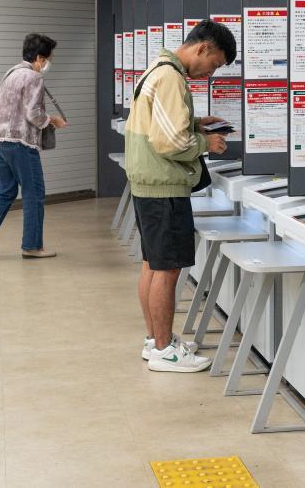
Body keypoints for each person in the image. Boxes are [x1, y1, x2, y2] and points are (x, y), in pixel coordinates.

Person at [126, 19, 235, 373]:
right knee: (168, 269)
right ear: (202, 48)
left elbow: (161, 124)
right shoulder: (171, 77)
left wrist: (197, 123)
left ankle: (155, 340)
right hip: (164, 186)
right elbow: (168, 142)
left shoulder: (157, 69)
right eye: (214, 64)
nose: (210, 73)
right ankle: (165, 351)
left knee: (153, 265)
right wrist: (207, 142)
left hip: (147, 183)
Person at [0, 34, 68, 260]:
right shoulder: (33, 77)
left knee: (6, 189)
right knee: (34, 193)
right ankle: (32, 246)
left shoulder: (11, 73)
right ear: (40, 58)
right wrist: (52, 120)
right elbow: (33, 114)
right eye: (49, 58)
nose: (49, 63)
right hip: (20, 143)